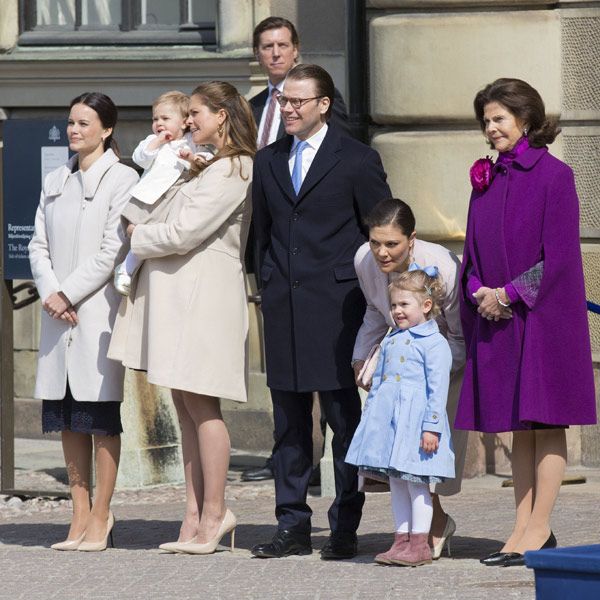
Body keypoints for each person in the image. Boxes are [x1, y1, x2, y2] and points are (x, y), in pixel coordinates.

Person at [108, 81, 255, 555]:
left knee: (203, 406)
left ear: (222, 114)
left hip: (204, 296)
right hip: (178, 295)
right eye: (187, 113)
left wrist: (140, 237)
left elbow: (185, 230)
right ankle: (192, 514)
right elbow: (153, 205)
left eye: (195, 113)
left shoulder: (234, 166)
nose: (188, 121)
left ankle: (216, 511)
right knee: (185, 405)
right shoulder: (201, 163)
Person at [251, 63, 391, 560]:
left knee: (342, 421)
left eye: (297, 102)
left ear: (323, 105)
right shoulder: (267, 160)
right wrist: (264, 281)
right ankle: (290, 524)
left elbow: (382, 231)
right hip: (283, 307)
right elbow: (261, 234)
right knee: (288, 423)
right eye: (283, 101)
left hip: (338, 310)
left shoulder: (355, 159)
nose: (286, 108)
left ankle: (345, 525)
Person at [456, 78, 596, 567]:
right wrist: (477, 290)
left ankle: (539, 527)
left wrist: (510, 294)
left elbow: (559, 257)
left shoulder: (555, 176)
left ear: (526, 120)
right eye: (486, 120)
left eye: (498, 118)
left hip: (542, 320)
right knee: (518, 426)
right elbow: (470, 250)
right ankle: (520, 526)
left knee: (546, 420)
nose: (490, 127)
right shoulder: (486, 179)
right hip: (498, 321)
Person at [28, 92, 139, 552]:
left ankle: (101, 513)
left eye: (85, 123)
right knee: (68, 416)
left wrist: (68, 292)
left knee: (99, 417)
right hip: (59, 314)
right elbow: (38, 243)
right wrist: (50, 293)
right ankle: (77, 511)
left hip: (95, 311)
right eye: (71, 122)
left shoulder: (122, 178)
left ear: (107, 129)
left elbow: (111, 251)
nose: (75, 130)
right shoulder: (56, 178)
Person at [243, 15, 351, 483]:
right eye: (266, 46)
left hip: (323, 269)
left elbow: (344, 165)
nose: (274, 53)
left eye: (282, 45)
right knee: (284, 386)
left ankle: (334, 478)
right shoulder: (250, 107)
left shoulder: (327, 103)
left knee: (330, 386)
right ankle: (287, 472)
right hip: (277, 262)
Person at [352, 198, 468, 559]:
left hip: (442, 359)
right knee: (400, 457)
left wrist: (430, 371)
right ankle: (421, 533)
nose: (381, 253)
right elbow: (376, 308)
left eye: (392, 244)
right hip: (399, 364)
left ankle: (427, 530)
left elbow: (459, 332)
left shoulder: (443, 266)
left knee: (422, 458)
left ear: (412, 239)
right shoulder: (363, 260)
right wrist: (362, 355)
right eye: (375, 242)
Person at [346, 268, 455, 566]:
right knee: (396, 482)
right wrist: (371, 420)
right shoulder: (392, 340)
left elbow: (438, 389)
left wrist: (432, 427)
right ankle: (401, 539)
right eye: (394, 305)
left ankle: (420, 543)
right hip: (390, 425)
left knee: (417, 483)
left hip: (417, 425)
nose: (397, 311)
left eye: (404, 304)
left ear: (426, 306)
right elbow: (378, 383)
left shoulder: (434, 344)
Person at [113, 90, 212, 296]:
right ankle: (125, 268)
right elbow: (140, 158)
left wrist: (192, 158)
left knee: (155, 236)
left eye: (166, 118)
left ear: (185, 122)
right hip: (148, 197)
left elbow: (206, 160)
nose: (159, 123)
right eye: (155, 119)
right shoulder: (152, 140)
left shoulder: (191, 142)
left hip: (172, 199)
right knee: (137, 234)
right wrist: (157, 143)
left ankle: (132, 270)